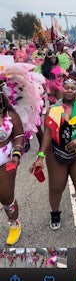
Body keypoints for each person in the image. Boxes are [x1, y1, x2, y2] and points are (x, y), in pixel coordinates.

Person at [29, 76, 76, 233]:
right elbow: (47, 133)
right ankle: (55, 213)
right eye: (66, 87)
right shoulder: (54, 109)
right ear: (61, 89)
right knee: (55, 187)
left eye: (73, 88)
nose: (69, 90)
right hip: (57, 151)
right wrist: (40, 156)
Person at [0, 84, 24, 245]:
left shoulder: (10, 114)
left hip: (6, 159)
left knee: (6, 196)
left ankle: (14, 224)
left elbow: (19, 135)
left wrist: (16, 153)